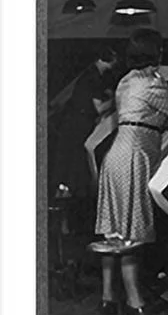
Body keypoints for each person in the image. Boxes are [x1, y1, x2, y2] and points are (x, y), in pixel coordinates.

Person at [95, 28, 168, 315]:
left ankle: (108, 298)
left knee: (114, 230)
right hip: (135, 156)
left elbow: (150, 113)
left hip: (117, 155)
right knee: (131, 234)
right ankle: (136, 304)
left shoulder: (127, 81)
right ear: (156, 53)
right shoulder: (152, 83)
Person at [50, 45, 119, 234]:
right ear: (110, 58)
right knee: (72, 176)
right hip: (78, 130)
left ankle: (65, 225)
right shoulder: (93, 77)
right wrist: (119, 99)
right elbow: (99, 108)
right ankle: (67, 225)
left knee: (69, 176)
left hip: (73, 127)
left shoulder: (91, 75)